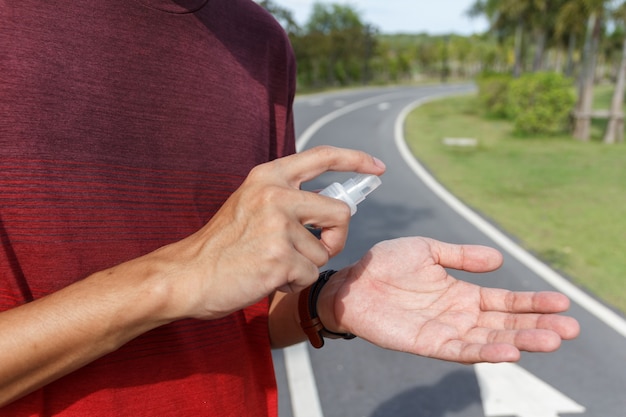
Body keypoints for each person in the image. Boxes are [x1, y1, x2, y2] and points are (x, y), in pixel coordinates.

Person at [0, 0, 579, 415]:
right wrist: (168, 280)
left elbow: (235, 318)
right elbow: (195, 281)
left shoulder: (260, 40)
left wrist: (332, 300)